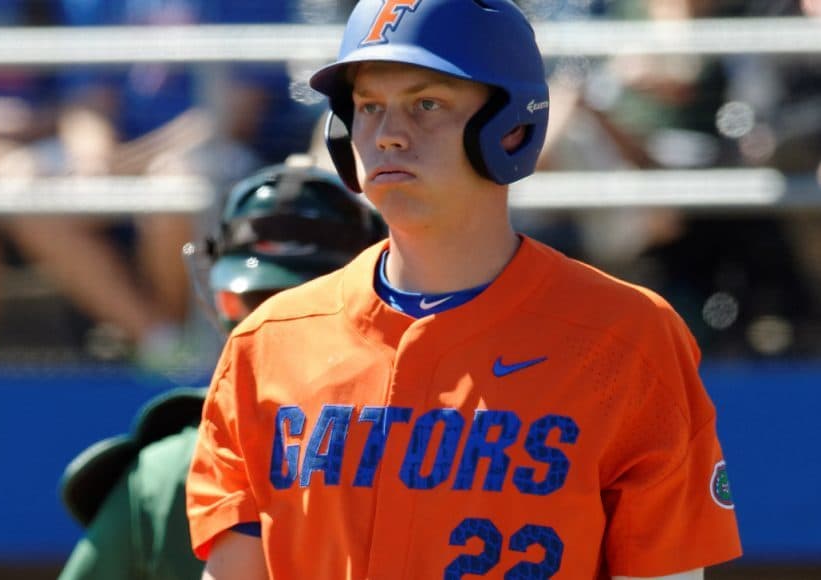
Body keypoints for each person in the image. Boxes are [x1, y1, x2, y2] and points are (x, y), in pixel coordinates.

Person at [185, 1, 742, 579]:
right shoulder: (266, 344)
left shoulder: (628, 338)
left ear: (513, 126)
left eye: (427, 104)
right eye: (369, 106)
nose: (389, 135)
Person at [56, 157, 386, 580]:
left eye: (300, 301)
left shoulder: (165, 469)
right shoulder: (429, 436)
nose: (271, 323)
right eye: (256, 301)